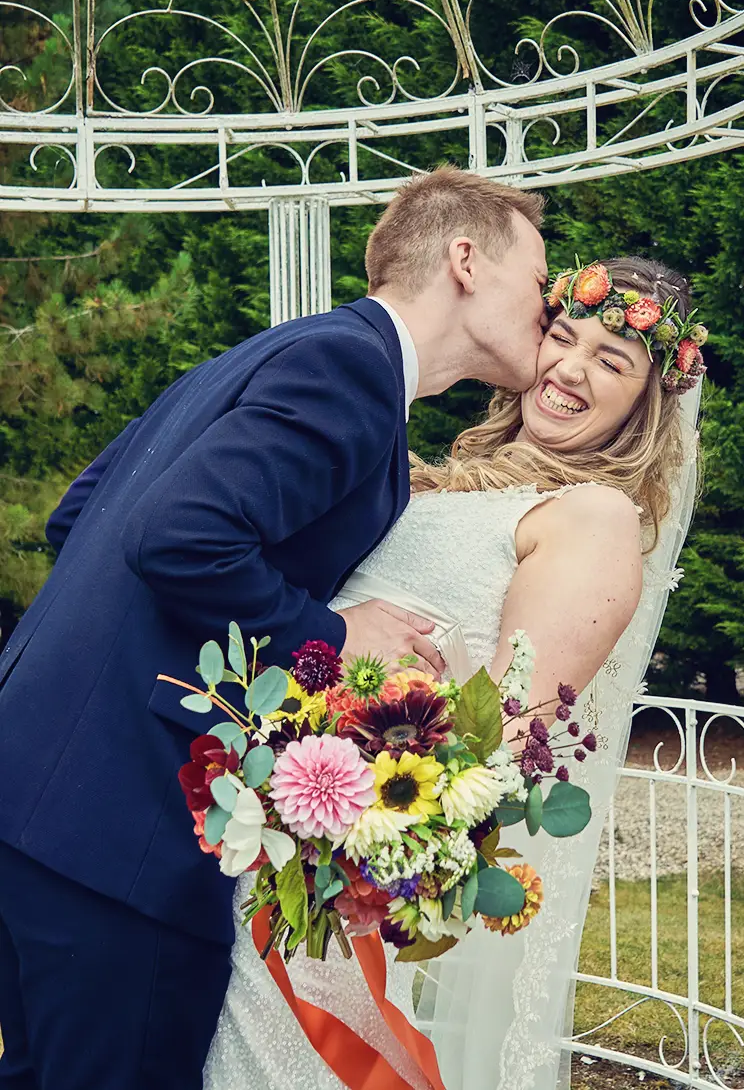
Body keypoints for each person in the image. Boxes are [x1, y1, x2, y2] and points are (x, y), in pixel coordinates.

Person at [0, 168, 548, 1090]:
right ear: (464, 259)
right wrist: (334, 632)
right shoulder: (351, 373)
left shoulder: (278, 350)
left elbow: (80, 514)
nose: (545, 304)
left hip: (34, 793)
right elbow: (178, 537)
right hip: (120, 836)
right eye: (537, 279)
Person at [202, 255, 704, 1089]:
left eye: (610, 362)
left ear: (648, 406)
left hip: (325, 870)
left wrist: (336, 842)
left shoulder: (596, 517)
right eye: (561, 335)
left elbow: (503, 742)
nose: (569, 370)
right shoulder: (446, 477)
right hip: (254, 817)